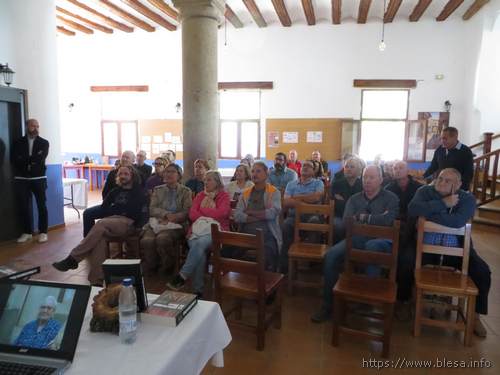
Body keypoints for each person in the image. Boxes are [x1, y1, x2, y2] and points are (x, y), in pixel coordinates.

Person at [408, 168, 491, 337]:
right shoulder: (424, 191)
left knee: (482, 271)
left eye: (448, 181)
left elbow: (459, 221)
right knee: (404, 261)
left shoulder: (467, 199)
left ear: (459, 184)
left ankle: (475, 316)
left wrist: (429, 215)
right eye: (440, 178)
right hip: (424, 247)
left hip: (457, 249)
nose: (442, 182)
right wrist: (443, 204)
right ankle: (403, 302)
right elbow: (413, 209)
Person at [311, 165, 399, 323]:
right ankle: (328, 305)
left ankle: (366, 301)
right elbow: (346, 223)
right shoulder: (355, 198)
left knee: (372, 247)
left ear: (380, 179)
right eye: (365, 177)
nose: (367, 181)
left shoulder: (391, 198)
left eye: (372, 177)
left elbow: (389, 221)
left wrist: (363, 218)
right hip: (357, 237)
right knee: (330, 255)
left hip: (382, 239)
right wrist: (377, 218)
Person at [52, 165, 146, 284]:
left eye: (126, 174)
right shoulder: (115, 191)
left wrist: (138, 225)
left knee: (101, 224)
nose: (122, 176)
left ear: (132, 176)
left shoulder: (138, 191)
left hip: (129, 223)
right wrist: (112, 208)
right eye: (120, 174)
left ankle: (73, 258)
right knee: (99, 240)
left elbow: (141, 212)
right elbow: (104, 207)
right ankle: (96, 280)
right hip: (112, 221)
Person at [167, 171, 231, 297]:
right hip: (196, 230)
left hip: (216, 231)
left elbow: (222, 213)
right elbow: (192, 215)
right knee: (199, 247)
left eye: (209, 180)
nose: (205, 182)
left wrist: (202, 211)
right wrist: (209, 212)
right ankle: (196, 289)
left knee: (199, 244)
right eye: (205, 180)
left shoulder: (224, 196)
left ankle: (186, 278)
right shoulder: (200, 195)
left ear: (217, 182)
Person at [141, 163, 192, 274]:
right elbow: (152, 208)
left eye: (172, 171)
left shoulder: (185, 191)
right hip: (158, 221)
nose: (168, 174)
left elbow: (187, 211)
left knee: (163, 239)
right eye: (167, 171)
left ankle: (167, 265)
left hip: (177, 223)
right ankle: (152, 266)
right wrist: (165, 215)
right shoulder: (158, 190)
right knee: (147, 240)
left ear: (179, 175)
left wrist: (173, 218)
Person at [384, 160, 422, 303]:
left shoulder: (419, 188)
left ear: (407, 171)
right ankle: (384, 288)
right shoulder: (388, 188)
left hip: (412, 231)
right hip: (393, 228)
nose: (397, 170)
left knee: (407, 258)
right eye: (395, 168)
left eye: (400, 168)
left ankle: (402, 297)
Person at [234, 162, 282, 271]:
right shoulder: (245, 193)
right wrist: (260, 215)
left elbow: (273, 213)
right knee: (227, 251)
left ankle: (266, 285)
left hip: (267, 234)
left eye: (258, 171)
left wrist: (250, 212)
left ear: (266, 174)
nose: (255, 174)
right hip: (246, 234)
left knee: (267, 257)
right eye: (253, 171)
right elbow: (237, 216)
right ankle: (238, 284)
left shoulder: (274, 192)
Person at [280, 160, 324, 273]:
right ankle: (286, 267)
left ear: (314, 171)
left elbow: (316, 198)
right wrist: (305, 201)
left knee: (314, 222)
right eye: (304, 165)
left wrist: (296, 198)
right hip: (294, 216)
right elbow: (286, 202)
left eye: (309, 166)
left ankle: (312, 263)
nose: (305, 167)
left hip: (312, 215)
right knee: (285, 226)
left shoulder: (318, 183)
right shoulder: (291, 184)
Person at [10, 119, 50, 243]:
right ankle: (27, 232)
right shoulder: (17, 142)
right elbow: (14, 160)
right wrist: (31, 160)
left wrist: (25, 159)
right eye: (33, 126)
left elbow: (40, 159)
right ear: (27, 126)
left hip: (39, 178)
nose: (36, 128)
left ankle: (43, 232)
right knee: (23, 206)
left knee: (41, 205)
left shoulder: (44, 143)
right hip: (21, 179)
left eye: (38, 126)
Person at [82, 150, 137, 238]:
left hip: (126, 208)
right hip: (110, 205)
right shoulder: (112, 173)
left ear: (133, 160)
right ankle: (89, 239)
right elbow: (105, 191)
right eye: (123, 157)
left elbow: (138, 194)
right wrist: (107, 203)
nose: (124, 159)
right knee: (88, 213)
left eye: (127, 157)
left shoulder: (136, 174)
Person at [330, 157, 363, 241]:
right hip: (339, 216)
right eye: (346, 167)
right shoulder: (337, 184)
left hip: (358, 217)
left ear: (359, 170)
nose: (348, 169)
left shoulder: (363, 185)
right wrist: (352, 204)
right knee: (338, 226)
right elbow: (335, 205)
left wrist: (344, 202)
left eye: (352, 167)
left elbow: (362, 206)